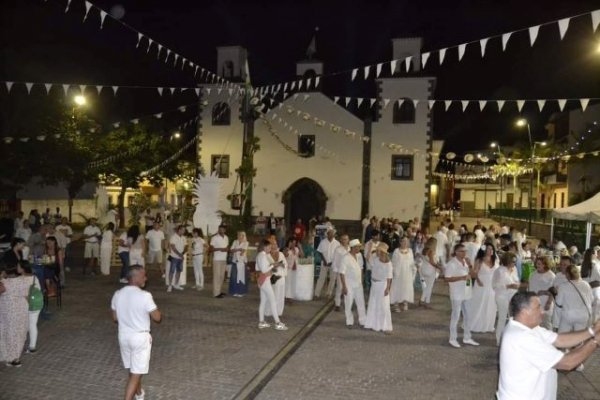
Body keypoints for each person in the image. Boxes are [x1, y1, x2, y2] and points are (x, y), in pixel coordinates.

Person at [497, 292, 600, 400]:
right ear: (524, 312)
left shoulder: (526, 327)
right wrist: (595, 342)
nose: (542, 311)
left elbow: (559, 339)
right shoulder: (521, 336)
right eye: (538, 307)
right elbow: (567, 363)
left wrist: (592, 331)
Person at [111, 265, 162, 400]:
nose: (146, 278)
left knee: (133, 370)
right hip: (140, 337)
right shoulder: (145, 295)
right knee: (136, 374)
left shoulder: (118, 294)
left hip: (123, 336)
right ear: (136, 277)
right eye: (143, 275)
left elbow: (115, 318)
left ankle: (139, 394)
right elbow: (157, 318)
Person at [444, 243, 479, 348]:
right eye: (462, 251)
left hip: (467, 292)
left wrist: (470, 265)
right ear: (456, 252)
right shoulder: (451, 264)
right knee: (456, 316)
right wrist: (461, 278)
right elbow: (447, 278)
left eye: (465, 251)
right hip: (457, 293)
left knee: (468, 315)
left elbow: (473, 275)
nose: (465, 253)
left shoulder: (466, 262)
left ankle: (467, 337)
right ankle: (452, 338)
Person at [0, 261, 30, 367]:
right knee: (20, 332)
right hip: (22, 309)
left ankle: (12, 358)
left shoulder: (4, 283)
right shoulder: (24, 281)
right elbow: (27, 296)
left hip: (9, 312)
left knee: (9, 333)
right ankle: (15, 357)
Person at [466, 243, 499, 333]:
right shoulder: (479, 260)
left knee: (491, 305)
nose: (491, 251)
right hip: (481, 284)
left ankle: (488, 325)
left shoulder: (495, 260)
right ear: (484, 250)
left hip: (492, 286)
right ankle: (475, 324)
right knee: (479, 304)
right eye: (488, 249)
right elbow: (474, 273)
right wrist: (478, 279)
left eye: (492, 249)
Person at [256, 239, 288, 331]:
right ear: (264, 247)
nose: (270, 249)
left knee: (263, 302)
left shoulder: (261, 255)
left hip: (263, 280)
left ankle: (261, 322)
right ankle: (277, 323)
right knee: (273, 301)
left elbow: (260, 268)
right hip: (265, 281)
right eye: (269, 247)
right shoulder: (262, 256)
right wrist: (273, 265)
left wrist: (272, 265)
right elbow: (264, 270)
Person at [493, 252, 522, 345]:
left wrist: (517, 285)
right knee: (502, 317)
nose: (514, 263)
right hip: (502, 296)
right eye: (512, 261)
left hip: (513, 295)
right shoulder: (499, 270)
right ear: (507, 261)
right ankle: (499, 339)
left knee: (513, 318)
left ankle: (511, 340)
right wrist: (508, 286)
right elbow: (494, 285)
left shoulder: (515, 269)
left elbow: (517, 280)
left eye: (515, 261)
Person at [555, 264, 593, 334]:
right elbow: (591, 299)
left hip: (568, 315)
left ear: (567, 274)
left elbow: (559, 303)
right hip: (583, 315)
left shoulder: (563, 286)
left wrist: (556, 321)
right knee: (579, 337)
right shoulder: (586, 284)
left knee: (563, 336)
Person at [365, 243, 393, 333]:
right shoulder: (375, 259)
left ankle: (384, 326)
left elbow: (389, 277)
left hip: (382, 285)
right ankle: (372, 324)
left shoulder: (388, 263)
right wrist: (369, 249)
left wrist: (387, 288)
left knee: (383, 305)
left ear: (382, 252)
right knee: (373, 304)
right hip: (374, 284)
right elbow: (367, 258)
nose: (376, 252)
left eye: (378, 250)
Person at [339, 239, 366, 328]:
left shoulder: (359, 256)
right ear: (353, 247)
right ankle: (349, 321)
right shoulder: (345, 258)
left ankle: (363, 321)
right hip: (349, 284)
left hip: (358, 284)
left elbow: (361, 268)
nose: (359, 248)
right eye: (358, 247)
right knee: (348, 303)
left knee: (361, 303)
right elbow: (342, 273)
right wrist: (344, 286)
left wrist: (361, 281)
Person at [528, 256, 556, 330]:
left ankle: (549, 341)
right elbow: (530, 288)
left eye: (540, 264)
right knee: (536, 326)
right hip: (535, 304)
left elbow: (554, 291)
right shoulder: (533, 274)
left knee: (546, 325)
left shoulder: (551, 275)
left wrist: (549, 302)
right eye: (537, 264)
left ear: (545, 264)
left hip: (545, 303)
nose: (537, 265)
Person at [390, 237, 417, 312]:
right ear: (400, 242)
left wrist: (414, 267)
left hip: (407, 272)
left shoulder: (410, 251)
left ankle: (405, 302)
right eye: (403, 241)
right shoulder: (396, 251)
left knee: (406, 287)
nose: (405, 243)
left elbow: (412, 262)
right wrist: (394, 272)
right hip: (398, 273)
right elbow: (393, 263)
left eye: (407, 241)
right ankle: (396, 305)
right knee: (396, 287)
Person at [22, 263, 42, 354]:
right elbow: (39, 290)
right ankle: (32, 346)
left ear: (22, 269)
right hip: (37, 304)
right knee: (33, 325)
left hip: (26, 305)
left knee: (25, 325)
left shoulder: (21, 279)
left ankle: (21, 344)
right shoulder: (34, 278)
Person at [314, 229, 339, 299]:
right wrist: (324, 260)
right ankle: (316, 294)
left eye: (332, 233)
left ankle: (329, 293)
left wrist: (332, 262)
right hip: (324, 263)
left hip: (333, 264)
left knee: (332, 279)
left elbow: (338, 254)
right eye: (329, 233)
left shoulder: (337, 243)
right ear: (327, 234)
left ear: (334, 234)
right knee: (321, 278)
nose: (331, 235)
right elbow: (320, 252)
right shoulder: (323, 242)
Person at [418, 239, 442, 309]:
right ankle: (425, 301)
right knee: (429, 287)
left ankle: (423, 301)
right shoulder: (431, 251)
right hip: (430, 270)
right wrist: (439, 267)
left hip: (423, 269)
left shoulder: (424, 249)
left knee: (426, 286)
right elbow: (432, 262)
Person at [331, 234, 349, 311]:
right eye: (343, 239)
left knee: (349, 288)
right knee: (340, 288)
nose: (345, 241)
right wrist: (335, 271)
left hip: (350, 272)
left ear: (348, 240)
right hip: (341, 272)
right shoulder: (338, 249)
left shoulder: (351, 249)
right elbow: (334, 261)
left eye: (346, 239)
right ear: (340, 240)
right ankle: (337, 304)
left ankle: (348, 304)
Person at [210, 225, 229, 298]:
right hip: (217, 259)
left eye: (222, 229)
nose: (221, 230)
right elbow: (211, 249)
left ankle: (219, 291)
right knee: (216, 276)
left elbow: (227, 247)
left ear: (225, 230)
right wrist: (220, 249)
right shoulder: (214, 238)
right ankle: (216, 293)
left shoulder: (226, 237)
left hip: (223, 259)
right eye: (220, 229)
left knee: (222, 276)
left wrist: (226, 249)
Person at [229, 231, 249, 297]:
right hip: (235, 261)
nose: (240, 236)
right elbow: (231, 250)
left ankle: (241, 292)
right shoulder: (235, 241)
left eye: (241, 235)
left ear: (244, 236)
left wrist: (237, 250)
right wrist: (239, 249)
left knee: (241, 277)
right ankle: (234, 291)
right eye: (239, 235)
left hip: (242, 262)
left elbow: (243, 252)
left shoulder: (246, 242)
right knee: (234, 277)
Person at [167, 225, 187, 293]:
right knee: (171, 271)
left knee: (179, 271)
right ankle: (170, 285)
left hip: (180, 257)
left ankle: (176, 284)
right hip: (174, 257)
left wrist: (182, 253)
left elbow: (186, 246)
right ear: (179, 230)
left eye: (184, 230)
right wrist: (179, 254)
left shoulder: (184, 238)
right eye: (183, 230)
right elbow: (173, 247)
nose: (184, 231)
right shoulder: (173, 237)